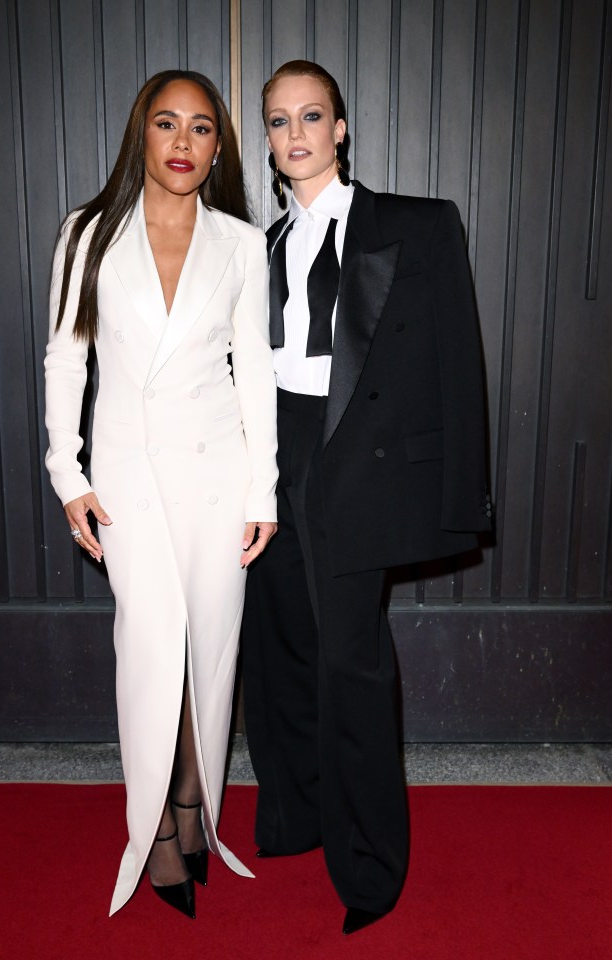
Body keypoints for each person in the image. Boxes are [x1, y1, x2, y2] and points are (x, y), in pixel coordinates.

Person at [242, 60, 491, 936]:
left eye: (313, 116)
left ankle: (372, 867)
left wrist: (463, 495)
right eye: (279, 120)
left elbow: (459, 364)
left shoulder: (415, 227)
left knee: (351, 664)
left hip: (357, 460)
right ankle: (297, 818)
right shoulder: (253, 244)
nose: (297, 134)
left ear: (341, 128)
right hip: (266, 456)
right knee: (277, 653)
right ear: (266, 137)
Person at [44, 70, 277, 920]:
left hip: (220, 470)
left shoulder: (242, 245)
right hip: (128, 476)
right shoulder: (88, 233)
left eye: (202, 128)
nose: (184, 143)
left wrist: (265, 488)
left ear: (218, 147)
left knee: (211, 648)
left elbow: (252, 369)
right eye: (168, 124)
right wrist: (68, 474)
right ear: (142, 132)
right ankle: (164, 819)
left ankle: (193, 813)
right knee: (153, 651)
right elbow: (67, 359)